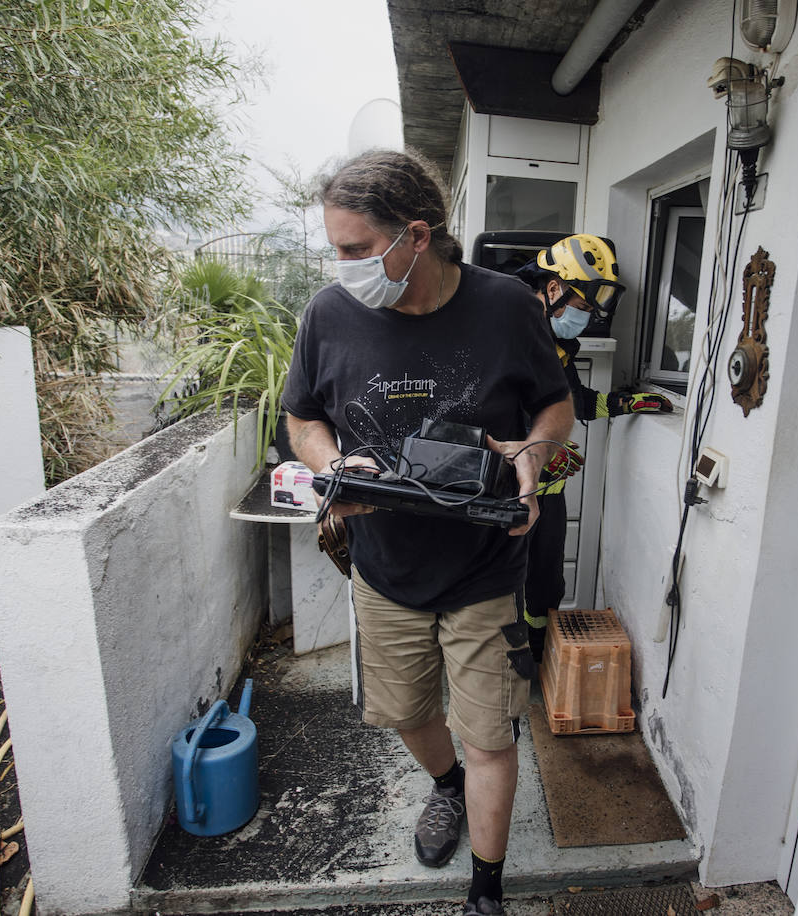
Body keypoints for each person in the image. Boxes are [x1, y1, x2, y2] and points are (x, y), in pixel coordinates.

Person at [281, 149, 574, 916]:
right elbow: (301, 418)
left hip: (485, 565)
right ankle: (446, 787)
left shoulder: (507, 304)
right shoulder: (328, 314)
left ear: (415, 235)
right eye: (334, 249)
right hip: (384, 567)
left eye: (353, 249)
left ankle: (486, 890)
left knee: (489, 737)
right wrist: (334, 464)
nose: (341, 266)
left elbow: (555, 404)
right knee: (407, 712)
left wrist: (533, 452)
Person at [515, 235, 672, 664]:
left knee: (545, 587)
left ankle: (537, 665)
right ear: (553, 290)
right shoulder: (504, 334)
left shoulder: (559, 347)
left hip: (547, 495)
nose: (584, 320)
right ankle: (500, 673)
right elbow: (483, 415)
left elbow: (575, 403)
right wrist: (534, 453)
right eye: (582, 308)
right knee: (498, 585)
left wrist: (624, 404)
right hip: (503, 496)